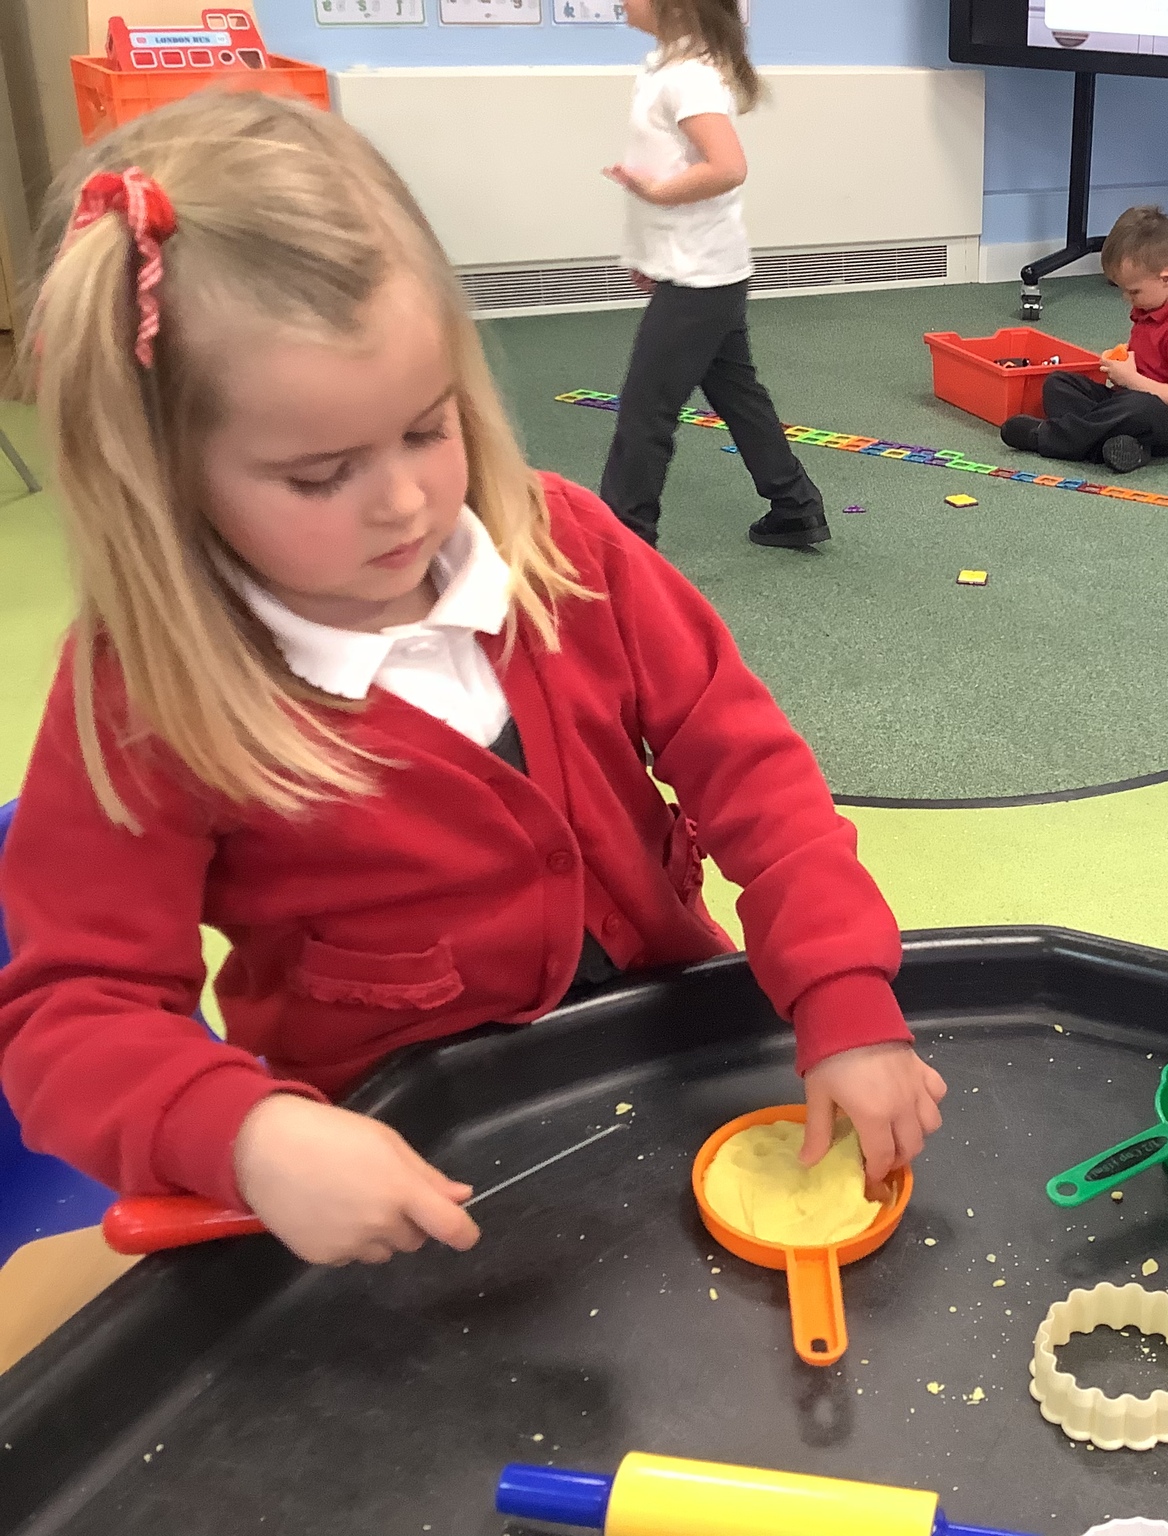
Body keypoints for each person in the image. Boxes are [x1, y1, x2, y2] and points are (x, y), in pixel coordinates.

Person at [0, 93, 944, 1270]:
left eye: (426, 428)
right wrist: (247, 1134)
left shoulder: (569, 548)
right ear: (164, 476)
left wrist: (840, 989)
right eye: (320, 475)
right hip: (399, 1192)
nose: (403, 502)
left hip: (666, 1062)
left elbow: (755, 777)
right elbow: (71, 1017)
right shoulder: (147, 691)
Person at [600, 0, 828, 550]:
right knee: (737, 394)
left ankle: (625, 545)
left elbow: (726, 167)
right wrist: (650, 254)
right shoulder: (667, 66)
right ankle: (796, 507)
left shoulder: (690, 77)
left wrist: (656, 195)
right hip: (701, 268)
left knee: (645, 412)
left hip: (700, 276)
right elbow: (669, 162)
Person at [1001, 205, 1168, 474]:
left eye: (1134, 292)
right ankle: (1129, 447)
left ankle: (1049, 438)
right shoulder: (1155, 302)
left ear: (1166, 279)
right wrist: (1123, 361)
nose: (1127, 299)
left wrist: (1130, 379)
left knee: (1138, 407)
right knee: (1058, 384)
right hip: (1128, 400)